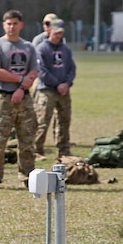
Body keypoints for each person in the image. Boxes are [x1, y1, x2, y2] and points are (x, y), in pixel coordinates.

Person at [0, 10, 39, 189]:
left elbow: (33, 71)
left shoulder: (28, 47)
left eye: (15, 23)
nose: (11, 27)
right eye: (8, 23)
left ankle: (27, 177)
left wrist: (22, 88)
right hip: (3, 98)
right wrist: (20, 80)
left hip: (24, 98)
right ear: (3, 25)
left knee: (27, 139)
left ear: (21, 25)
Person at [34, 19, 77, 158]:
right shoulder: (42, 48)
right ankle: (37, 149)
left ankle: (64, 150)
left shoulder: (65, 49)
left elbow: (71, 68)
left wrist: (67, 83)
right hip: (47, 90)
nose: (58, 35)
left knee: (64, 120)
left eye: (60, 33)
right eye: (55, 32)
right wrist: (57, 84)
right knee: (43, 120)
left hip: (64, 90)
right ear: (49, 31)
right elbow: (41, 71)